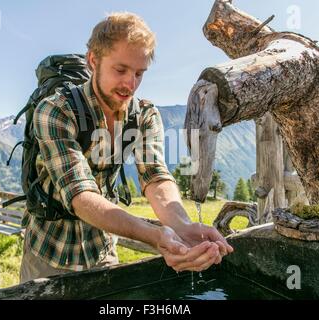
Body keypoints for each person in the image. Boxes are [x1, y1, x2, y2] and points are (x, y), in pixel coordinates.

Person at [20, 12, 233, 283]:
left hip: (103, 250)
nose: (130, 84)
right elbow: (81, 196)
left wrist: (183, 226)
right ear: (93, 61)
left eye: (139, 73)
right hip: (49, 253)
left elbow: (156, 177)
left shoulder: (144, 115)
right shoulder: (55, 111)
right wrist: (157, 236)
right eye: (120, 70)